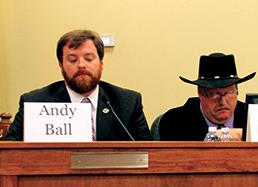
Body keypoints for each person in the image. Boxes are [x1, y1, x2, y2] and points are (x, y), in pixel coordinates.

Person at [4, 29, 152, 141]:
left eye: (88, 59)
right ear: (61, 65)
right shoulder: (35, 102)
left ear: (101, 63)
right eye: (73, 60)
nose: (81, 65)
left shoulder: (127, 102)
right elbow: (9, 153)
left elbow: (148, 155)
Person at [158, 52, 255, 140]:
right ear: (200, 93)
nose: (223, 102)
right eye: (215, 95)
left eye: (229, 93)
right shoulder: (175, 122)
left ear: (237, 91)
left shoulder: (252, 118)